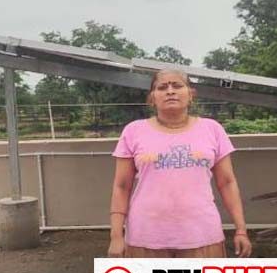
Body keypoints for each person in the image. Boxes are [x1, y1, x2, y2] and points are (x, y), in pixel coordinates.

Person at [107, 69, 252, 258]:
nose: (170, 91)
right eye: (162, 87)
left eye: (177, 86)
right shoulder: (134, 131)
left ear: (191, 94)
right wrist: (116, 236)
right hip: (145, 237)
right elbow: (122, 187)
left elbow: (227, 182)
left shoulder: (212, 129)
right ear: (152, 98)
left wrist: (241, 229)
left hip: (202, 235)